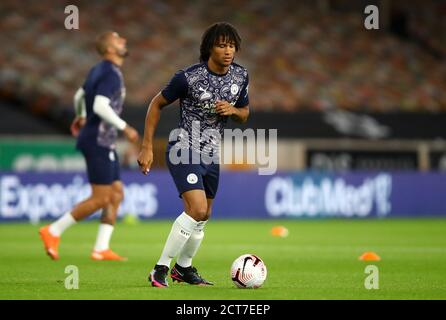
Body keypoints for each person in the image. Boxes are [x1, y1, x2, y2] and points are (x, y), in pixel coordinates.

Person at [137, 22, 250, 287]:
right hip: (183, 147)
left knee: (205, 213)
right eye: (222, 45)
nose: (228, 50)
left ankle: (183, 269)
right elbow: (157, 104)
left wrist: (233, 111)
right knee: (196, 208)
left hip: (211, 152)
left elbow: (245, 113)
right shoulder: (187, 77)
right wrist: (146, 146)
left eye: (231, 45)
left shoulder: (241, 76)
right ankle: (160, 269)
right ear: (209, 48)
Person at [39, 31, 139, 261]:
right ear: (109, 49)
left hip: (102, 139)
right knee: (101, 198)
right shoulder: (111, 73)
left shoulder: (98, 70)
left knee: (116, 193)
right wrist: (126, 127)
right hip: (98, 140)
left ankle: (101, 248)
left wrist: (81, 115)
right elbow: (102, 106)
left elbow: (79, 95)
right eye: (118, 39)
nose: (124, 40)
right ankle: (53, 231)